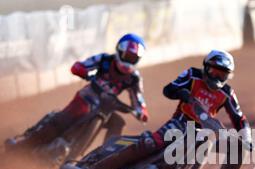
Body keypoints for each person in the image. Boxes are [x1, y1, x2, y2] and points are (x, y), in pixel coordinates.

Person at [85, 49, 252, 169]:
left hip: (204, 130)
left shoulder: (227, 93)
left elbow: (240, 119)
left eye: (221, 74)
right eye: (213, 71)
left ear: (228, 76)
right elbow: (169, 89)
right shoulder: (192, 75)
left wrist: (247, 138)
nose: (216, 77)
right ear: (206, 67)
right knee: (150, 144)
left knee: (238, 150)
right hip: (179, 122)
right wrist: (184, 94)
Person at [5, 33, 149, 151]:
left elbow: (138, 99)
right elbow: (80, 66)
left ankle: (106, 154)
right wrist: (82, 71)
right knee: (60, 123)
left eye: (133, 58)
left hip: (107, 108)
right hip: (87, 98)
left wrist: (141, 112)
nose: (129, 61)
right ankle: (22, 146)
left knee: (118, 122)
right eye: (127, 56)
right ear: (119, 51)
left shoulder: (134, 78)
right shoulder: (104, 59)